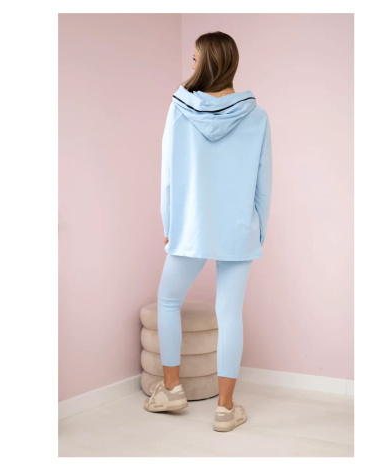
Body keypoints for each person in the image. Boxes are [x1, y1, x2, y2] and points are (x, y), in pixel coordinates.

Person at [144, 31, 272, 433]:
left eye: (195, 58)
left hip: (191, 225)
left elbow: (168, 174)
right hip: (239, 227)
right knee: (229, 313)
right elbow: (263, 182)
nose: (192, 64)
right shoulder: (257, 116)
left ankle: (171, 389)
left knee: (168, 302)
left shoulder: (179, 109)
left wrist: (169, 224)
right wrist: (258, 232)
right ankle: (225, 409)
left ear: (207, 62)